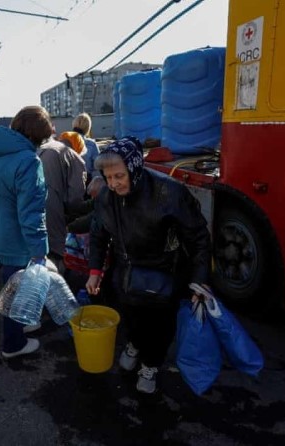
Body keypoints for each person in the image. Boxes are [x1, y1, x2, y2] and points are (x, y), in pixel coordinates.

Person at [85, 136, 212, 394]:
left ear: (133, 168)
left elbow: (198, 237)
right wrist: (95, 271)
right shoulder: (106, 196)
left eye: (119, 176)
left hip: (163, 273)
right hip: (125, 272)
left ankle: (151, 364)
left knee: (159, 326)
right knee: (130, 315)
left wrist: (200, 279)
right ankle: (133, 343)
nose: (113, 183)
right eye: (108, 177)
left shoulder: (169, 192)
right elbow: (98, 234)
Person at [0, 105, 52, 359]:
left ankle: (21, 324)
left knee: (11, 284)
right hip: (15, 240)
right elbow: (32, 214)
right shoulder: (28, 161)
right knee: (18, 289)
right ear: (38, 136)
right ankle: (13, 343)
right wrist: (40, 250)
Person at [38, 134, 86, 273]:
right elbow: (76, 196)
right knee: (57, 258)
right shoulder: (72, 155)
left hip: (36, 211)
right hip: (55, 213)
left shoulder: (42, 149)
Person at [72, 112, 101, 180]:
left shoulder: (64, 142)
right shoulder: (91, 144)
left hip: (68, 180)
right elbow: (98, 164)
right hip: (86, 178)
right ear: (88, 127)